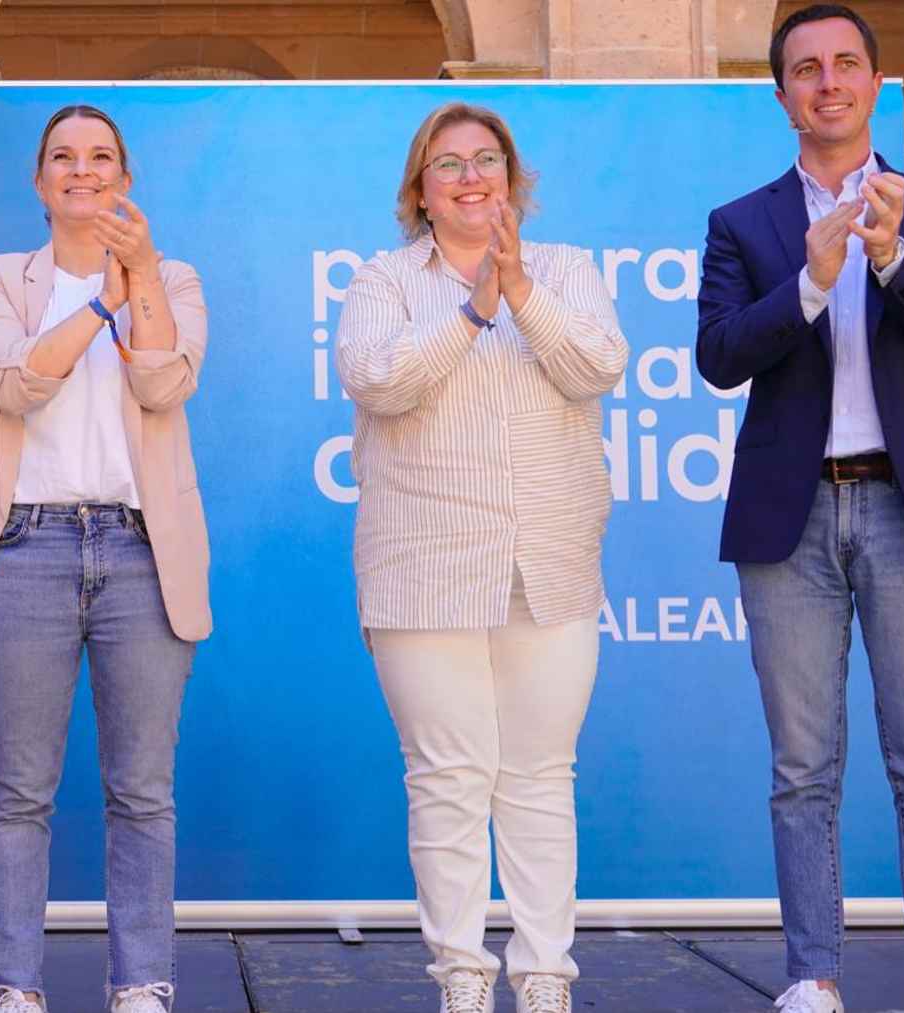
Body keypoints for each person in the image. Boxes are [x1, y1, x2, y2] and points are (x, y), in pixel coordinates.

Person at [693, 5, 904, 1012]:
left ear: (874, 84)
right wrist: (814, 283)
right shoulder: (744, 224)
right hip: (792, 519)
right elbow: (721, 354)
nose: (828, 81)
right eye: (806, 69)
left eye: (846, 65)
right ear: (783, 95)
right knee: (802, 765)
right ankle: (811, 975)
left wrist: (894, 259)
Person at [335, 101, 629, 1013]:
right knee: (450, 777)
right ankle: (461, 976)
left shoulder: (567, 270)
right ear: (420, 192)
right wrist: (475, 309)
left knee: (541, 777)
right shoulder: (384, 282)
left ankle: (544, 978)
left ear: (512, 178)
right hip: (423, 567)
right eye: (449, 164)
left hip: (549, 562)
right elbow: (378, 381)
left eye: (486, 160)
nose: (471, 177)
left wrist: (522, 293)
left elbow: (597, 366)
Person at [0, 104, 210, 1013]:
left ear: (125, 178)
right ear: (39, 180)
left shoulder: (171, 277)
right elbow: (14, 384)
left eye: (101, 157)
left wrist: (134, 277)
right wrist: (96, 300)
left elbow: (163, 379)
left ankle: (142, 983)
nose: (82, 170)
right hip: (24, 546)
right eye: (63, 156)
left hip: (141, 552)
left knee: (142, 790)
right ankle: (11, 989)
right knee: (19, 791)